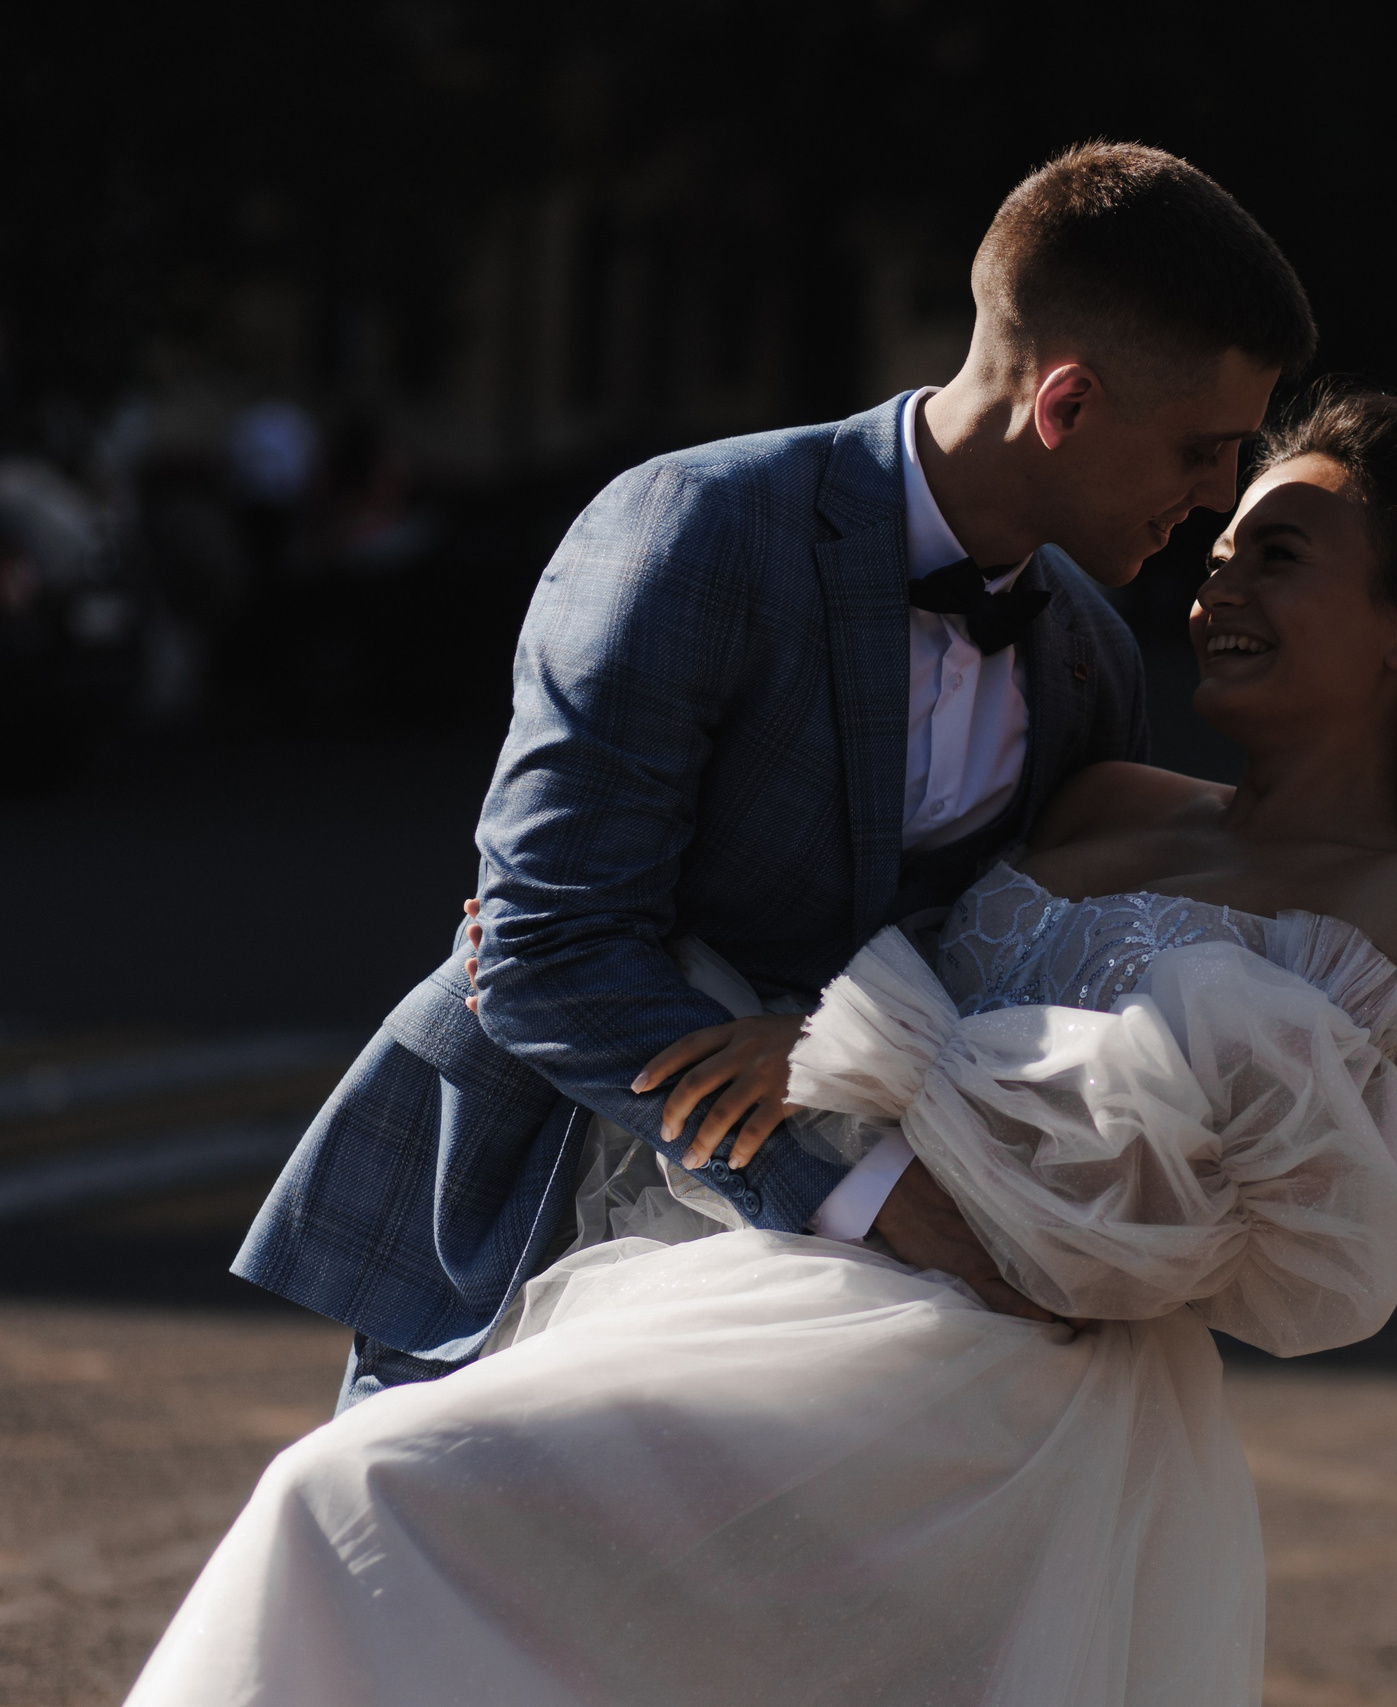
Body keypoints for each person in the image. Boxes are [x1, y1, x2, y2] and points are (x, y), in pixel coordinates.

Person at [126, 389, 1397, 1706]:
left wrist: (856, 1058)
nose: (1217, 582)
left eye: (1280, 555)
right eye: (1218, 555)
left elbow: (1179, 1224)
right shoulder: (1103, 795)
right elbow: (837, 931)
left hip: (1003, 1390)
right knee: (398, 1517)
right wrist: (589, 924)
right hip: (784, 1271)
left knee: (377, 1492)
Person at [230, 141, 1318, 1406]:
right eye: (1201, 448)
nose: (1219, 495)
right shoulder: (694, 529)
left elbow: (1004, 970)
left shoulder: (1086, 653)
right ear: (1065, 405)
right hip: (549, 1235)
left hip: (872, 1310)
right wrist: (871, 1199)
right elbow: (548, 952)